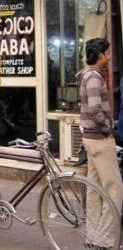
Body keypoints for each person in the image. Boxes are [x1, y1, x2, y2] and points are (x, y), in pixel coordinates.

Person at [77, 37, 123, 248]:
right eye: (108, 51)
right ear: (101, 54)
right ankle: (105, 240)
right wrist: (108, 127)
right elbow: (95, 108)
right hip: (99, 139)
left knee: (94, 189)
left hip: (89, 139)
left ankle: (93, 236)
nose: (110, 55)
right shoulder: (94, 77)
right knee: (115, 189)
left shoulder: (85, 74)